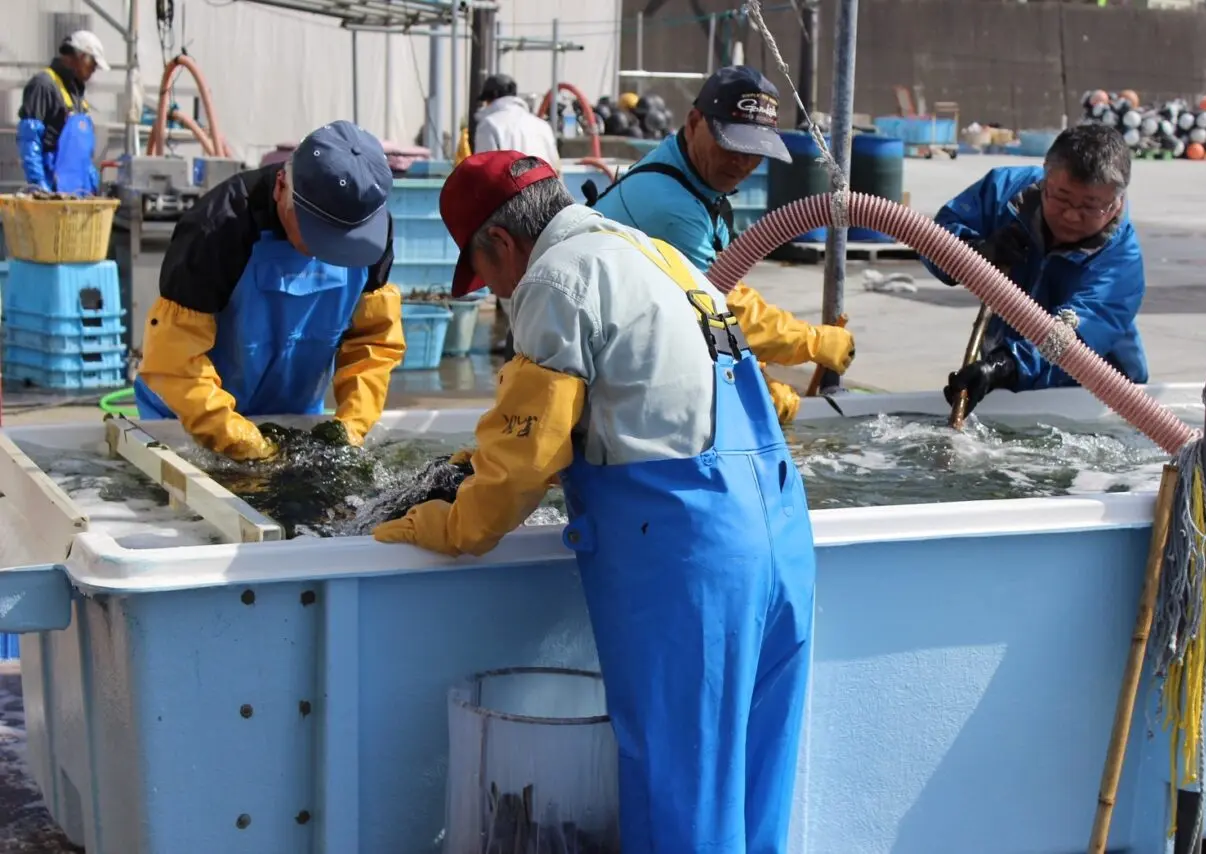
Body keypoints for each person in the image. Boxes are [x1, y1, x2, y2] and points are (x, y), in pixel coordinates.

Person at [373, 151, 815, 853]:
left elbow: (522, 464)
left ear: (500, 244)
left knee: (681, 795)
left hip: (690, 556)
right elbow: (649, 407)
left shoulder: (555, 278)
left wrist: (433, 523)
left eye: (483, 275)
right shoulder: (655, 254)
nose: (493, 293)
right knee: (754, 787)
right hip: (780, 533)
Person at [589, 65, 855, 423]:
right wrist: (810, 342)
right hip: (604, 375)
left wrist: (758, 375)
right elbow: (724, 307)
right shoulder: (672, 207)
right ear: (694, 121)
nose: (742, 163)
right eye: (732, 145)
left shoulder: (691, 176)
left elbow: (724, 290)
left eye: (754, 151)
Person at [134, 120, 406, 461]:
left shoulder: (371, 233)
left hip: (295, 417)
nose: (327, 252)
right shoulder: (217, 229)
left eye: (341, 243)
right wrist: (242, 442)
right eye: (316, 233)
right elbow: (175, 361)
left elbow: (373, 341)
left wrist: (352, 425)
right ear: (281, 186)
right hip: (186, 420)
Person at [923, 123, 1149, 416]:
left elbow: (1069, 343)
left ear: (1116, 202)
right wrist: (976, 252)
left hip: (1097, 399)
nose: (1070, 215)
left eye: (1090, 207)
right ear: (1046, 176)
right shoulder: (1004, 193)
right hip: (1010, 377)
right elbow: (933, 237)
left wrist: (1004, 366)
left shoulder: (1121, 264)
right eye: (1062, 198)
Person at [17, 30, 109, 194]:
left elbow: (81, 152)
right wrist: (39, 185)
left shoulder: (76, 95)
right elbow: (29, 139)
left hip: (76, 191)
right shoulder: (43, 84)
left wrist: (92, 184)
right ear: (81, 57)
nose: (94, 69)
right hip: (52, 186)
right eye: (92, 63)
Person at [454, 74, 561, 172]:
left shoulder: (489, 125)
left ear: (492, 97)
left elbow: (486, 171)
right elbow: (556, 168)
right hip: (545, 190)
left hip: (511, 191)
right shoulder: (542, 125)